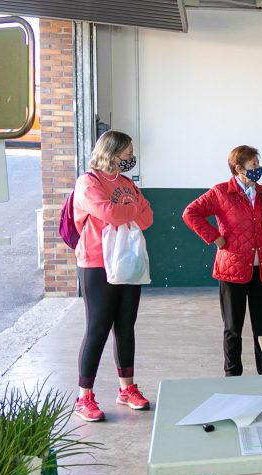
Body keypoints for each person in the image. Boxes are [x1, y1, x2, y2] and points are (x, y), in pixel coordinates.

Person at [72, 130, 154, 421]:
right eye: (128, 153)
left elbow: (147, 218)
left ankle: (126, 389)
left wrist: (128, 210)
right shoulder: (88, 182)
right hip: (96, 263)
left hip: (128, 262)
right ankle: (84, 397)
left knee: (125, 326)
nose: (131, 158)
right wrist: (131, 209)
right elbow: (108, 213)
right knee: (97, 328)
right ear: (112, 152)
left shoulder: (126, 183)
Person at [183, 145, 262, 376]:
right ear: (238, 168)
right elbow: (190, 213)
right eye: (253, 165)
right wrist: (214, 238)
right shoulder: (220, 192)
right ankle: (232, 376)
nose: (258, 169)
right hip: (232, 270)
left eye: (258, 164)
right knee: (232, 329)